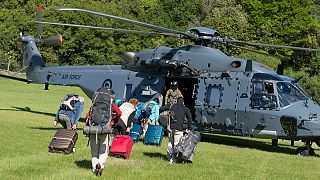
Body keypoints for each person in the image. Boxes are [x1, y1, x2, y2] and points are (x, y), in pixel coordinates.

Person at [85, 88, 122, 176]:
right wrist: (113, 121)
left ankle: (94, 169)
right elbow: (119, 113)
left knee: (94, 151)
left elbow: (88, 116)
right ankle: (100, 165)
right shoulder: (111, 104)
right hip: (105, 129)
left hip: (93, 129)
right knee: (104, 151)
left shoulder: (95, 104)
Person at [160, 97, 192, 164]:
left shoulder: (171, 106)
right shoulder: (185, 108)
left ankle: (169, 156)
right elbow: (189, 117)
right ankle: (173, 159)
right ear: (183, 102)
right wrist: (189, 127)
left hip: (170, 128)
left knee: (170, 142)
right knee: (177, 144)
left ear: (177, 101)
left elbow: (161, 109)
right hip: (179, 128)